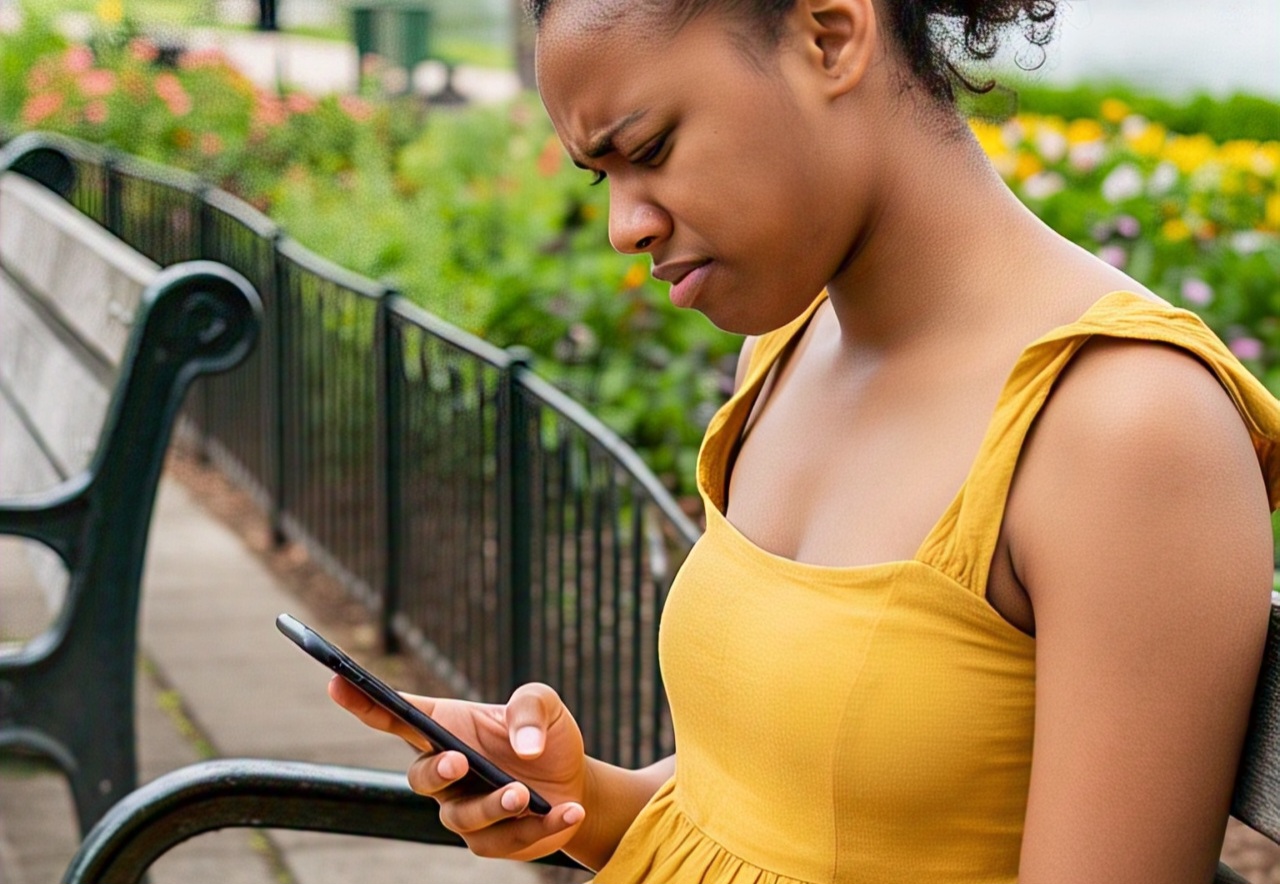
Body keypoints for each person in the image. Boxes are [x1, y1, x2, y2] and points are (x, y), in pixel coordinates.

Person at [331, 1, 1280, 880]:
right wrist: (589, 800)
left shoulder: (1125, 425)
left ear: (828, 35)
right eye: (602, 174)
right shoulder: (784, 350)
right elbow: (786, 819)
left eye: (651, 148)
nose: (625, 226)